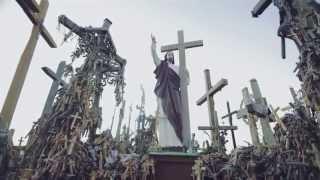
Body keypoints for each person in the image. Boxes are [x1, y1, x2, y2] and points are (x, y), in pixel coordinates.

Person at [151, 34, 185, 147]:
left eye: (172, 54)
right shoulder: (163, 66)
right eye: (168, 54)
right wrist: (153, 45)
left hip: (175, 94)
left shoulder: (178, 68)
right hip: (165, 94)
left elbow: (186, 81)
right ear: (165, 56)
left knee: (177, 114)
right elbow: (155, 58)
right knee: (164, 116)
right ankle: (165, 143)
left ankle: (178, 143)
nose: (170, 55)